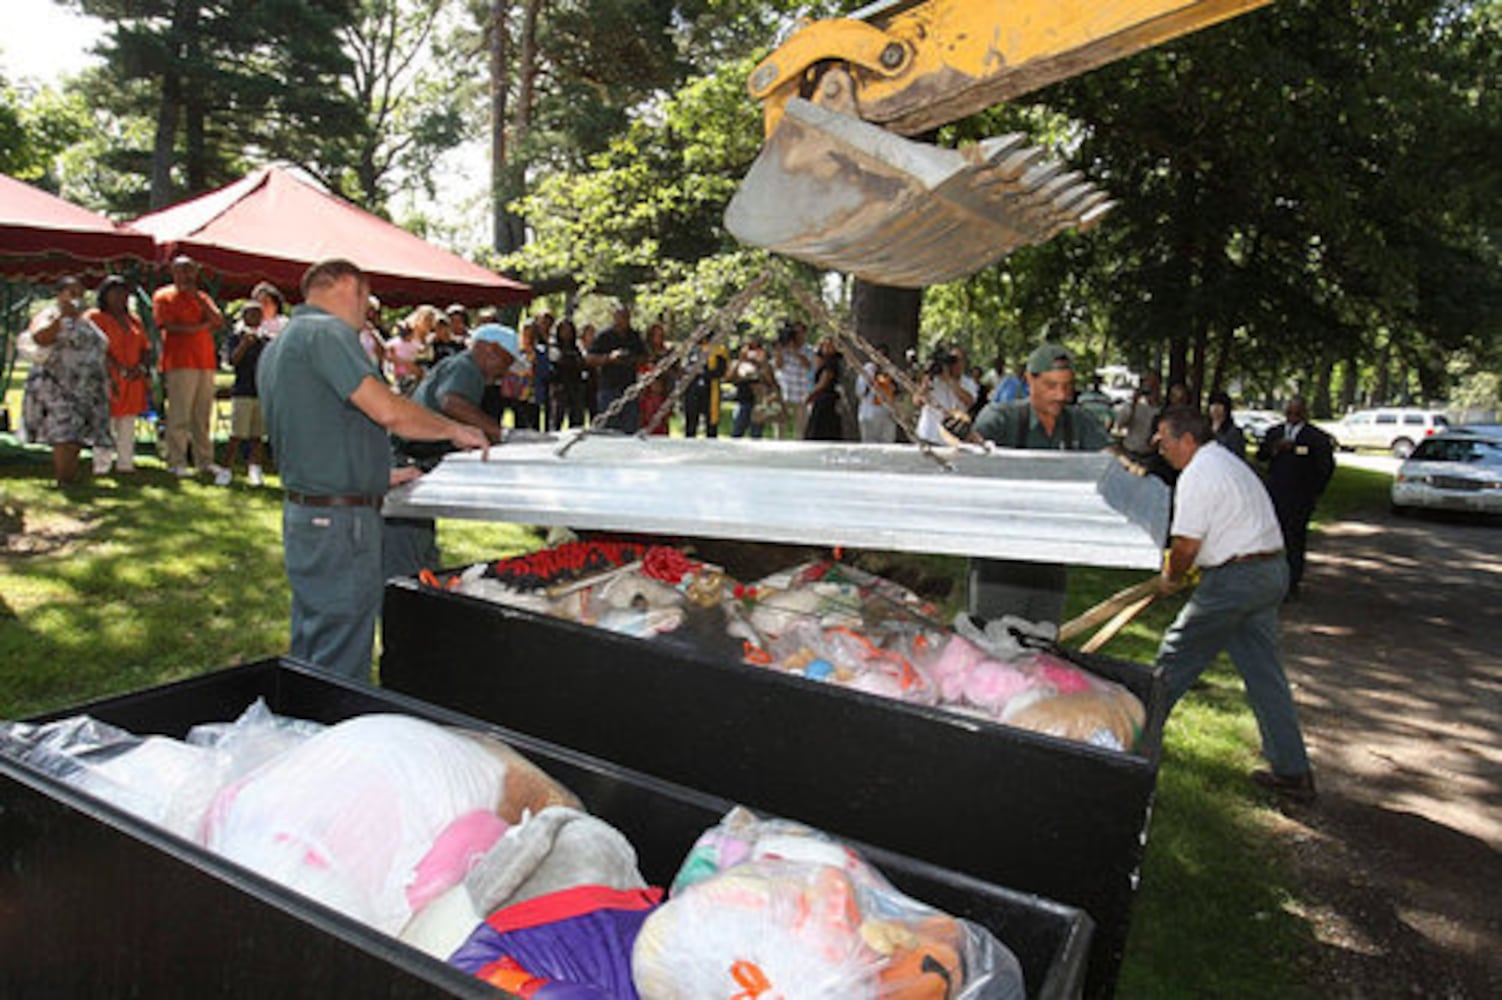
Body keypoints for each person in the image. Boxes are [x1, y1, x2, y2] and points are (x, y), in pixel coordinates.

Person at [257, 259, 489, 682]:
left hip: (308, 513)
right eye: (367, 300)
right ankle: (337, 738)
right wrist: (454, 429)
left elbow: (314, 428)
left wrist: (376, 475)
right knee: (342, 654)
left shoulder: (281, 342)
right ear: (350, 286)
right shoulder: (327, 333)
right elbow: (387, 410)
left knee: (315, 644)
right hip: (340, 522)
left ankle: (307, 732)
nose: (368, 314)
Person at [1153, 404, 1316, 802]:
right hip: (1269, 571)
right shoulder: (1225, 461)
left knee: (1174, 656)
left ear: (1187, 440)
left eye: (1164, 437)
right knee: (1264, 674)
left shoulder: (1198, 474)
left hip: (1236, 578)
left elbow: (1187, 545)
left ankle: (1129, 744)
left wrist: (1172, 578)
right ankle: (1293, 771)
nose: (1158, 444)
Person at [968, 342, 1115, 624]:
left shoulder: (1079, 423)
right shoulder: (1003, 417)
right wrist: (964, 435)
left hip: (1051, 556)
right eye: (1051, 385)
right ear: (1029, 379)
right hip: (1001, 559)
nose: (1060, 395)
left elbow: (1109, 459)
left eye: (1067, 386)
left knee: (1042, 648)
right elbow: (973, 446)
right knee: (992, 646)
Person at [384, 323, 518, 582]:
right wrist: (502, 434)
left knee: (419, 549)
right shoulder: (467, 368)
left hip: (413, 462)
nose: (505, 372)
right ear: (490, 350)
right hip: (407, 463)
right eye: (506, 362)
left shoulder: (460, 365)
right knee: (409, 560)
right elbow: (451, 402)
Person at [20, 276, 112, 485]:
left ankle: (70, 476)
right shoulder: (49, 315)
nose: (78, 296)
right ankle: (63, 478)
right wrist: (61, 317)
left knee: (77, 432)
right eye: (71, 292)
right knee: (64, 431)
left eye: (80, 291)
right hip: (58, 384)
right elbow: (40, 338)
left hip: (87, 385)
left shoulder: (86, 320)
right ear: (59, 294)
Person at [152, 255, 228, 481]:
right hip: (179, 362)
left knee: (202, 414)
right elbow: (170, 327)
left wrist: (201, 302)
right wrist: (202, 327)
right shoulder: (163, 296)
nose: (186, 276)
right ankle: (176, 461)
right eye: (181, 271)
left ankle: (204, 461)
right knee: (179, 414)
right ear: (173, 273)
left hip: (205, 361)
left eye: (190, 271)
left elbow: (219, 321)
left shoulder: (202, 296)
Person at [1256, 396, 1335, 601]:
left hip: (1300, 498)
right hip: (1275, 495)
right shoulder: (1274, 433)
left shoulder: (1315, 437)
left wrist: (1315, 492)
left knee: (1295, 541)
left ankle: (1292, 583)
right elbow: (1261, 455)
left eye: (1297, 413)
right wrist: (1275, 449)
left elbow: (1323, 465)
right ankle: (1270, 581)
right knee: (1271, 541)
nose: (1292, 417)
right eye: (1289, 412)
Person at [87, 275, 151, 476]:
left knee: (128, 421)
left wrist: (139, 367)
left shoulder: (134, 320)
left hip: (133, 378)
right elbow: (95, 347)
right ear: (104, 295)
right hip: (106, 376)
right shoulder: (95, 317)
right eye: (114, 293)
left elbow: (146, 348)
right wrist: (117, 368)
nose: (120, 298)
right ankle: (101, 465)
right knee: (105, 421)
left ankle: (125, 463)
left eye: (124, 293)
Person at [222, 302, 270, 485]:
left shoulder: (265, 340)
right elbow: (232, 361)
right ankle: (226, 469)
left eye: (258, 315)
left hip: (260, 392)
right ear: (244, 317)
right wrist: (244, 344)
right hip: (242, 390)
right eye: (251, 314)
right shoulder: (236, 337)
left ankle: (255, 468)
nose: (255, 318)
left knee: (257, 435)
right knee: (237, 433)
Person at [586, 304, 647, 432]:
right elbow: (589, 358)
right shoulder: (604, 336)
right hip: (609, 388)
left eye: (626, 317)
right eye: (621, 317)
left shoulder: (634, 336)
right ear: (614, 317)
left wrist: (631, 359)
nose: (623, 320)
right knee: (609, 427)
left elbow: (645, 357)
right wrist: (609, 358)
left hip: (629, 388)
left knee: (630, 426)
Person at [914, 345, 975, 444]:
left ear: (964, 362)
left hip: (953, 438)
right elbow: (917, 401)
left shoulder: (968, 383)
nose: (954, 365)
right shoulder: (934, 380)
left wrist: (949, 380)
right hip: (929, 434)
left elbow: (969, 401)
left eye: (956, 360)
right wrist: (926, 382)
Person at [730, 340, 780, 439]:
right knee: (737, 432)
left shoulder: (766, 365)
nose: (753, 353)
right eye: (750, 349)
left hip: (759, 402)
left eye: (757, 350)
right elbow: (731, 378)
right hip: (743, 400)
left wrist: (760, 364)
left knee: (756, 434)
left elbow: (772, 383)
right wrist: (741, 361)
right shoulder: (740, 365)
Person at [773, 320, 814, 439]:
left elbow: (808, 365)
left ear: (805, 333)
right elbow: (778, 366)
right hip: (785, 390)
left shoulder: (809, 349)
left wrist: (795, 352)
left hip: (801, 392)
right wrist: (779, 352)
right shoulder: (783, 348)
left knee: (800, 428)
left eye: (799, 332)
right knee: (781, 425)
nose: (797, 335)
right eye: (794, 332)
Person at [546, 318, 589, 431]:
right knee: (557, 420)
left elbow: (582, 361)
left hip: (575, 386)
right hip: (560, 386)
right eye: (563, 330)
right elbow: (557, 358)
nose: (566, 333)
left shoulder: (577, 347)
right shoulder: (553, 345)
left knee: (577, 419)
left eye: (569, 330)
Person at [683, 339, 729, 438]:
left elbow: (721, 371)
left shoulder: (719, 350)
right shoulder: (693, 349)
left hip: (711, 389)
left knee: (711, 423)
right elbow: (686, 367)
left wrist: (704, 373)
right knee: (691, 422)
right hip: (693, 389)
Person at [804, 337, 845, 441]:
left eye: (829, 345)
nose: (826, 348)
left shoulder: (831, 363)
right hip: (822, 399)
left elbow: (823, 383)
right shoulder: (823, 362)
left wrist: (811, 395)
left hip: (826, 399)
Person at [855, 348, 899, 444]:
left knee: (887, 443)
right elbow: (860, 391)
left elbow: (897, 390)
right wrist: (873, 376)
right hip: (869, 412)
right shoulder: (868, 369)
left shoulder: (891, 371)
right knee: (870, 444)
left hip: (887, 414)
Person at [638, 321, 674, 435]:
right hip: (647, 393)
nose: (658, 338)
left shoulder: (668, 351)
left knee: (662, 422)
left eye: (660, 335)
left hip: (663, 391)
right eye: (656, 335)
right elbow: (641, 369)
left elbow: (675, 371)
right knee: (647, 420)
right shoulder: (645, 351)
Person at [1207, 389, 1248, 458]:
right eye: (1213, 404)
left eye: (1219, 404)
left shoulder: (1234, 432)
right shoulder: (1204, 428)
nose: (1215, 408)